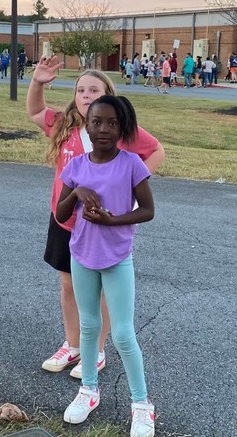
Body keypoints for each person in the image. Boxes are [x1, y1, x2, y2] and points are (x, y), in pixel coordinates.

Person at [26, 57, 164, 382]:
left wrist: (132, 189)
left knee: (100, 289)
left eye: (94, 89)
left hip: (101, 224)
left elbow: (156, 150)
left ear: (108, 94)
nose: (86, 95)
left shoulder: (117, 130)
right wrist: (38, 81)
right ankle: (72, 345)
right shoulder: (64, 125)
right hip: (65, 221)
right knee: (68, 285)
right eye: (80, 89)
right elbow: (34, 112)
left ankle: (98, 349)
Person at [54, 94, 156, 437]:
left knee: (124, 333)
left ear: (123, 127)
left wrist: (112, 222)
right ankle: (89, 390)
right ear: (87, 124)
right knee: (88, 326)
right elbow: (60, 214)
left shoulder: (131, 164)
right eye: (97, 122)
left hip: (116, 259)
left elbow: (147, 210)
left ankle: (141, 404)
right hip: (81, 255)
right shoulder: (77, 167)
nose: (104, 129)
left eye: (112, 123)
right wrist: (77, 192)